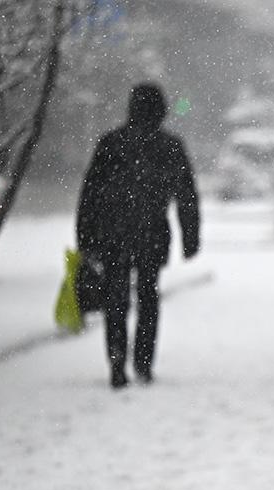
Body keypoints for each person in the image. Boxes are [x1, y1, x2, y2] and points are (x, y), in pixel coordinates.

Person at [77, 83, 199, 389]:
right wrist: (190, 236)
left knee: (115, 298)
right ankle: (143, 362)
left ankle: (117, 359)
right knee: (148, 296)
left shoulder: (111, 143)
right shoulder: (170, 146)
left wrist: (86, 237)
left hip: (113, 233)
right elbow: (186, 195)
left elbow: (90, 194)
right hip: (152, 234)